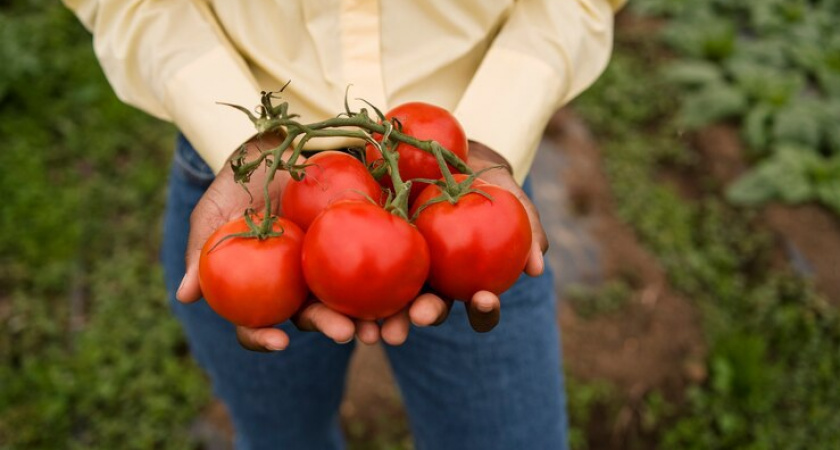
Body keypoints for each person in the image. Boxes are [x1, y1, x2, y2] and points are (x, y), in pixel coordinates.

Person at [65, 1, 625, 448]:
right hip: (250, 183)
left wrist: (495, 130)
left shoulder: (461, 190)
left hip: (464, 173)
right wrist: (236, 132)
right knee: (282, 440)